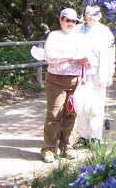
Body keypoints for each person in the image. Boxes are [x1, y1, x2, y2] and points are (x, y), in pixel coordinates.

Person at [41, 8, 88, 163]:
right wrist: (71, 56)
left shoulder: (80, 38)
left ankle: (66, 146)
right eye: (67, 20)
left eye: (73, 21)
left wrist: (83, 61)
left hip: (75, 81)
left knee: (71, 114)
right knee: (54, 114)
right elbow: (49, 56)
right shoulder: (54, 36)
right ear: (61, 20)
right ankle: (48, 148)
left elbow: (85, 58)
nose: (70, 23)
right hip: (55, 80)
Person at [73, 5, 116, 149]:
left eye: (95, 14)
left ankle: (95, 138)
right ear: (84, 15)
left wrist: (108, 74)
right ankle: (83, 136)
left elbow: (110, 55)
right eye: (89, 14)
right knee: (80, 105)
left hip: (98, 73)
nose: (91, 17)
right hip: (79, 73)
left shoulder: (105, 32)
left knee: (96, 106)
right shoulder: (77, 29)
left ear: (100, 16)